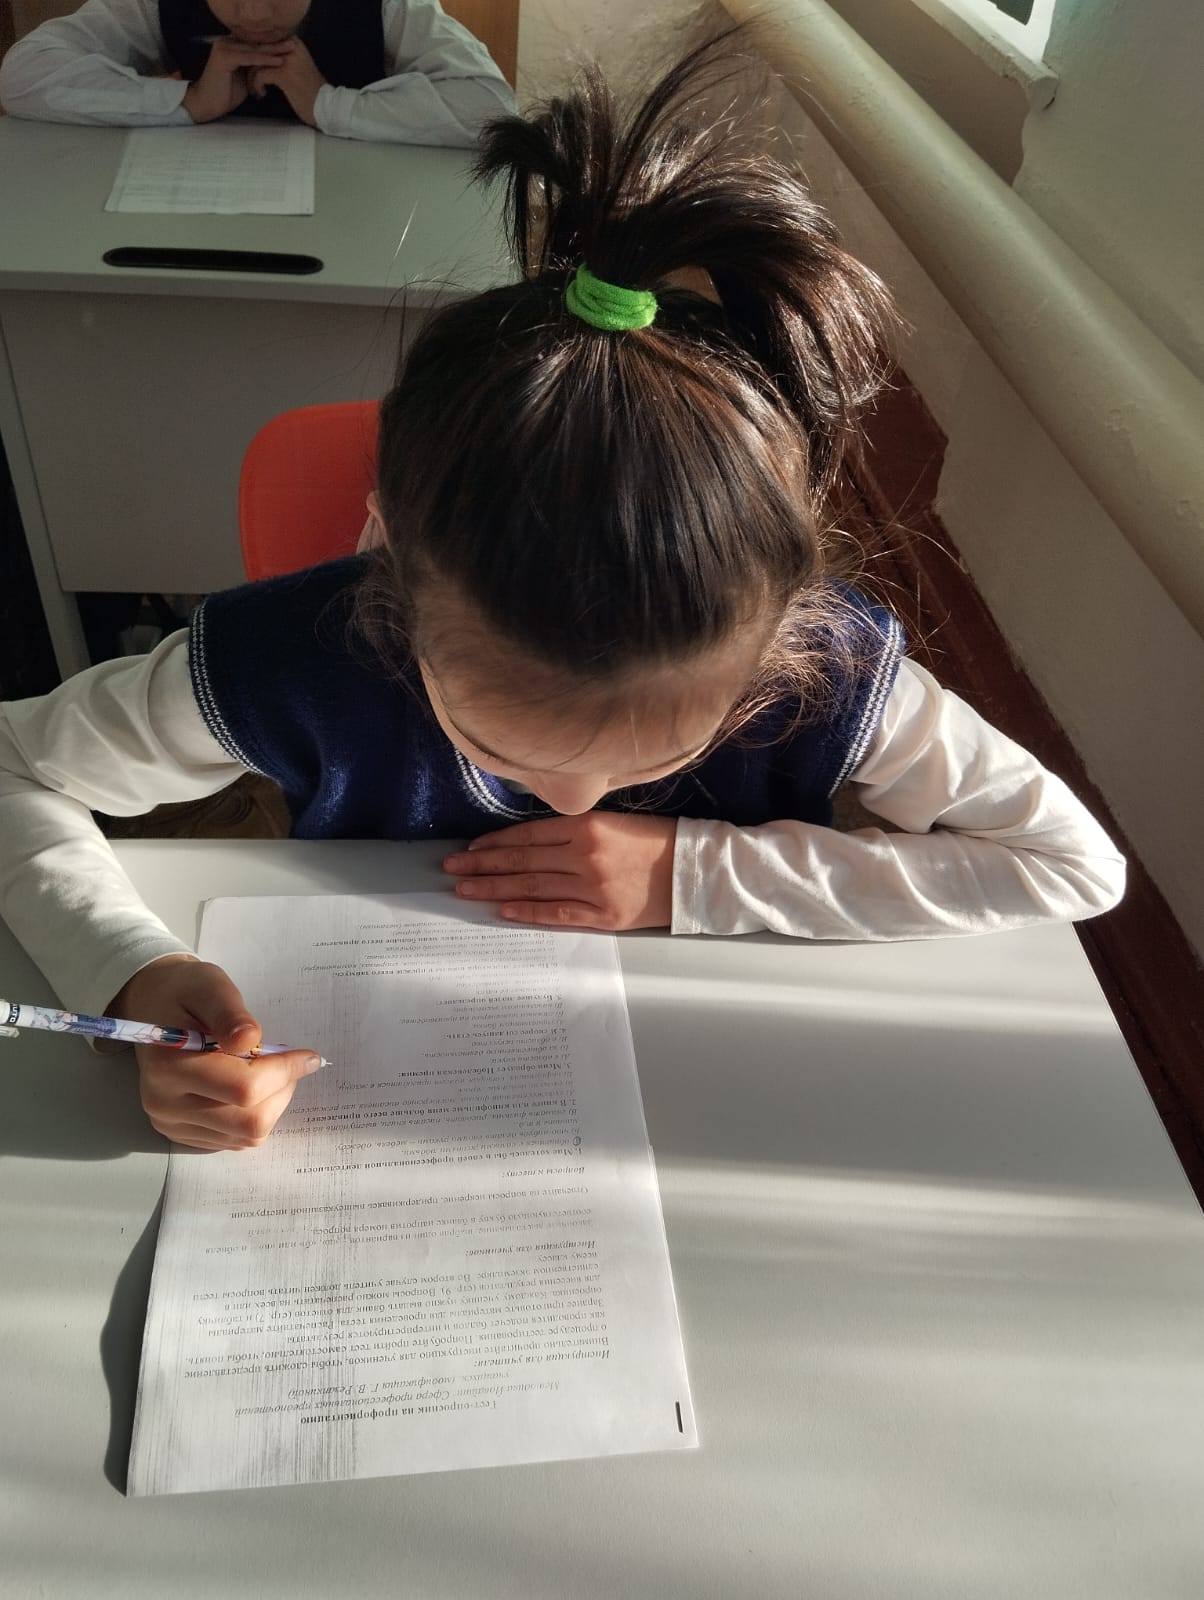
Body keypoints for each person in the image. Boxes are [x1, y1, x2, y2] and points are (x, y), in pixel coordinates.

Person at [0, 38, 1125, 1153]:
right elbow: (16, 768)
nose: (575, 802)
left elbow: (1072, 864)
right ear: (388, 565)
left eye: (656, 756)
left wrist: (691, 874)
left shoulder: (822, 663)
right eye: (499, 744)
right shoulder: (296, 654)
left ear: (780, 631)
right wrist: (129, 973)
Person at [0, 0, 514, 144]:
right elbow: (21, 74)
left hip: (357, 220)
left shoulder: (388, 6)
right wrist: (186, 102)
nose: (252, 13)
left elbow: (491, 106)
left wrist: (329, 103)